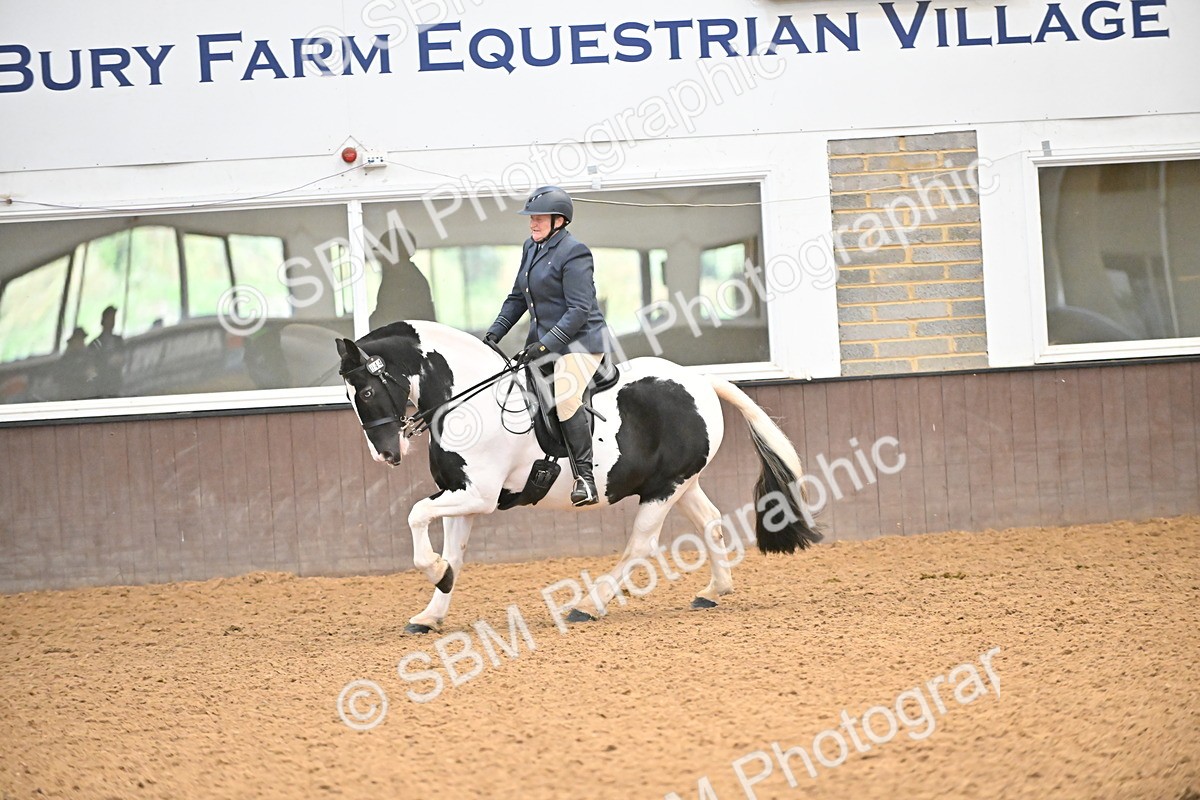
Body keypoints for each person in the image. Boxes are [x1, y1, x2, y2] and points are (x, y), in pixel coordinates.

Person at [485, 186, 610, 506]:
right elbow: (517, 298)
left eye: (538, 218)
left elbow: (579, 311)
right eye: (531, 218)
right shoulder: (531, 247)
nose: (532, 223)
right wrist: (495, 332)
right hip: (544, 343)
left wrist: (546, 345)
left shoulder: (575, 252)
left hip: (580, 343)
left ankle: (585, 479)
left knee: (566, 397)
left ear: (559, 220)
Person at [87, 305, 125, 397]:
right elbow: (92, 365)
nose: (112, 322)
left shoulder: (118, 340)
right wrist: (107, 362)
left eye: (113, 319)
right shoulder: (95, 344)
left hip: (115, 384)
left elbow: (123, 357)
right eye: (110, 319)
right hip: (100, 386)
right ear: (103, 321)